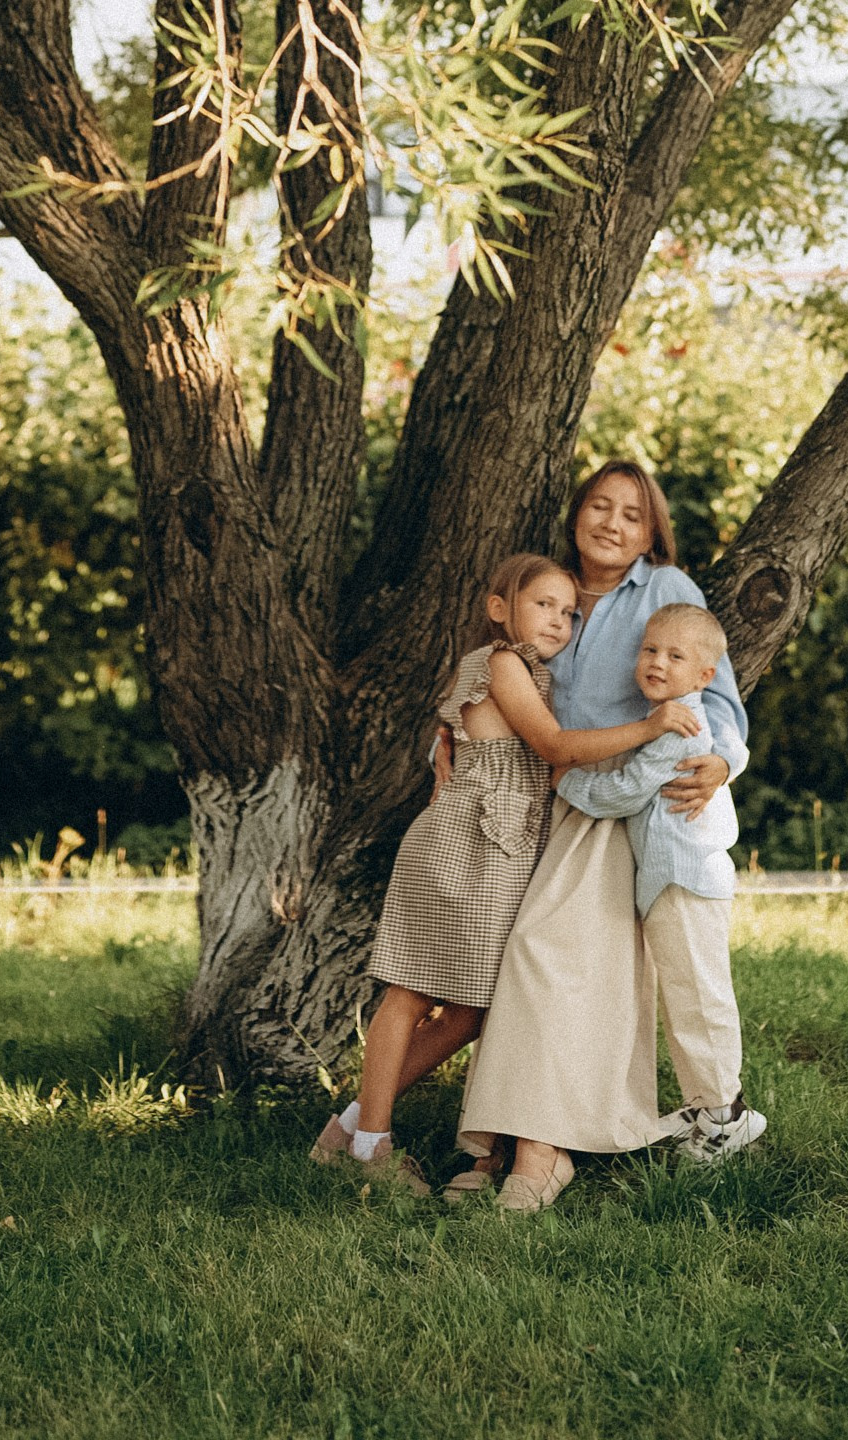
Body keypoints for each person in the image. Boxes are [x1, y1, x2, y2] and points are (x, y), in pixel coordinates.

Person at [310, 549, 703, 1196]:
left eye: (570, 612)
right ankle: (370, 1148)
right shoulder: (498, 663)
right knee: (410, 990)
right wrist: (649, 725)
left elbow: (543, 766)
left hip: (503, 848)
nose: (558, 621)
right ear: (499, 610)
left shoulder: (536, 678)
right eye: (542, 605)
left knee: (473, 1007)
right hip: (464, 840)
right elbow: (552, 747)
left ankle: (349, 1130)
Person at [453, 458, 754, 1213]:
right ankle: (501, 1142)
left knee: (548, 955)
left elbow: (717, 701)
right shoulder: (550, 591)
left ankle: (541, 1150)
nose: (612, 524)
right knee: (515, 962)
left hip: (625, 801)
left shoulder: (664, 590)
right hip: (543, 799)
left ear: (652, 530)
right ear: (576, 513)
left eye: (631, 513)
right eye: (599, 506)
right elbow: (501, 683)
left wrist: (721, 762)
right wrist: (445, 749)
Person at [558, 600, 766, 1165]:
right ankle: (709, 1106)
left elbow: (626, 791)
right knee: (684, 995)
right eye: (650, 650)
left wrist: (566, 781)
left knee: (699, 995)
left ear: (704, 676)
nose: (656, 663)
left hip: (685, 879)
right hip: (671, 879)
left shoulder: (684, 726)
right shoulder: (667, 719)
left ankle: (727, 1116)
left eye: (675, 656)